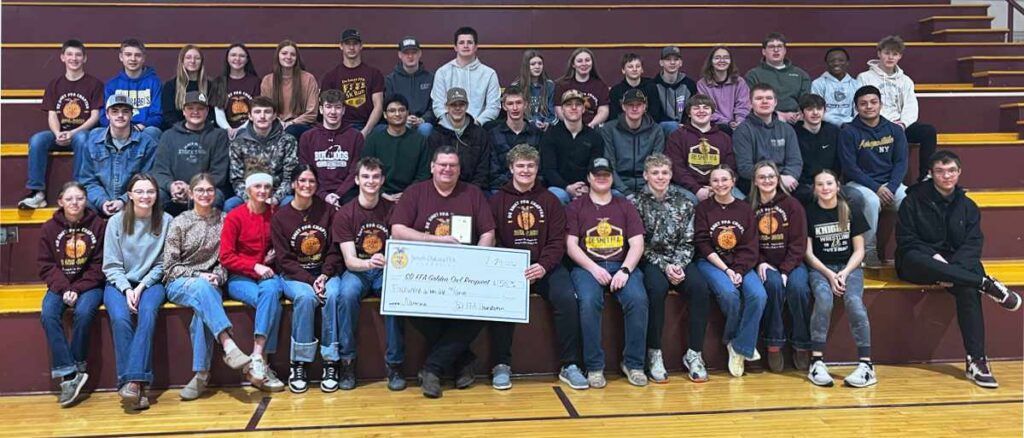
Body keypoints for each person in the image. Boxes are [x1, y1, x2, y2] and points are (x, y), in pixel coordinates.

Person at [896, 150, 1022, 388]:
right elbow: (907, 240)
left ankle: (976, 361)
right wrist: (937, 263)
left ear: (959, 172)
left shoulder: (968, 206)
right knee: (916, 257)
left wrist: (950, 271)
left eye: (951, 170)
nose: (947, 176)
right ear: (931, 174)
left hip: (957, 265)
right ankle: (985, 283)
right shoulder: (912, 200)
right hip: (920, 262)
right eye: (941, 171)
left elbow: (973, 244)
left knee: (967, 285)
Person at [390, 145, 497, 398]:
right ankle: (462, 359)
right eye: (442, 165)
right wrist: (434, 240)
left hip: (464, 272)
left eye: (452, 165)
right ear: (432, 167)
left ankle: (433, 368)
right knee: (407, 305)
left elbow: (488, 233)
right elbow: (397, 230)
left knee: (484, 307)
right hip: (422, 272)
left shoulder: (472, 193)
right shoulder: (416, 192)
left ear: (459, 169)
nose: (447, 169)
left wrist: (478, 259)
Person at [487, 145, 588, 390]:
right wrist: (511, 267)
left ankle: (570, 364)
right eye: (520, 165)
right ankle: (501, 364)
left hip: (546, 266)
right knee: (499, 300)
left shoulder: (550, 200)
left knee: (566, 298)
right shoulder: (497, 200)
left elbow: (557, 241)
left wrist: (542, 266)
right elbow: (493, 237)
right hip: (511, 267)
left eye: (530, 165)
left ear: (537, 168)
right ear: (511, 168)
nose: (525, 170)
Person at [163, 173, 255, 401]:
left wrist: (218, 276)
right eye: (200, 190)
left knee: (202, 309)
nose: (205, 195)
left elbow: (228, 258)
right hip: (180, 282)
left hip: (210, 284)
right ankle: (229, 344)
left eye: (209, 190)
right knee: (202, 290)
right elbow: (170, 266)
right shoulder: (180, 222)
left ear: (215, 194)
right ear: (192, 194)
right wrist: (199, 275)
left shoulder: (226, 220)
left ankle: (201, 374)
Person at [567, 157, 649, 388]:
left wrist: (625, 270)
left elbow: (637, 244)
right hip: (587, 266)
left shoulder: (625, 205)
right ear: (589, 177)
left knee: (638, 299)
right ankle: (594, 367)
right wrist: (593, 268)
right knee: (589, 301)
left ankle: (633, 364)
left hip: (621, 264)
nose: (601, 177)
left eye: (605, 174)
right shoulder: (576, 206)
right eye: (597, 174)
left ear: (612, 177)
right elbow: (571, 245)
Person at [632, 154, 711, 383]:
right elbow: (639, 244)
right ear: (646, 175)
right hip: (651, 260)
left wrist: (678, 263)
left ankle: (694, 353)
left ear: (671, 174)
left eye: (664, 172)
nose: (660, 177)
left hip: (680, 259)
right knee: (655, 290)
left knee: (700, 288)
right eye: (655, 173)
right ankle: (654, 353)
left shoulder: (684, 202)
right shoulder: (635, 203)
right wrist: (666, 267)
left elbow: (689, 239)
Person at [330, 157, 406, 392]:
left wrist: (390, 261)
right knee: (346, 294)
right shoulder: (345, 213)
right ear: (356, 180)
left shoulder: (393, 210)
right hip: (359, 270)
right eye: (365, 176)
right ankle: (347, 361)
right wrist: (370, 262)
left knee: (394, 295)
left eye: (375, 177)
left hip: (385, 270)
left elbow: (401, 248)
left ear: (382, 180)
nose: (370, 181)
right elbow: (351, 262)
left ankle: (395, 364)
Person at [101, 174, 171, 410]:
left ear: (156, 195)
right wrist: (126, 288)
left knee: (147, 313)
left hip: (151, 283)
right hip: (118, 283)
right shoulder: (116, 222)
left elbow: (164, 263)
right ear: (129, 194)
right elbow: (111, 264)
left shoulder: (167, 221)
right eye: (139, 191)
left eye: (150, 191)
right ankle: (136, 386)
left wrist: (141, 286)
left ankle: (132, 382)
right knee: (120, 319)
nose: (145, 196)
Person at [272, 166, 343, 393]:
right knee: (305, 298)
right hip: (295, 275)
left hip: (325, 272)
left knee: (333, 295)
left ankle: (331, 361)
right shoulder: (281, 217)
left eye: (311, 181)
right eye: (302, 181)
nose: (307, 185)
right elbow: (284, 260)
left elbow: (335, 248)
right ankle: (299, 363)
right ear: (293, 184)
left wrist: (324, 274)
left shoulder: (328, 211)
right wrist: (310, 280)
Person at [804, 169, 874, 388]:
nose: (825, 188)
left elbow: (860, 251)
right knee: (824, 300)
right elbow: (808, 254)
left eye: (829, 183)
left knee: (854, 303)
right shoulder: (809, 213)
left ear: (837, 186)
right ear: (814, 189)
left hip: (849, 267)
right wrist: (830, 274)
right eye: (820, 184)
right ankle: (816, 362)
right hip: (821, 268)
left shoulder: (850, 209)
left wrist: (843, 273)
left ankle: (866, 365)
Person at [693, 166, 765, 378]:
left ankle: (739, 346)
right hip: (711, 263)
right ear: (710, 184)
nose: (720, 184)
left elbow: (751, 246)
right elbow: (703, 245)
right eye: (715, 180)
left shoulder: (744, 209)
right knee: (729, 294)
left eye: (725, 179)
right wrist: (726, 270)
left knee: (758, 295)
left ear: (733, 182)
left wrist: (739, 270)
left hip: (740, 264)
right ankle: (736, 342)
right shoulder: (703, 209)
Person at [39, 181, 106, 407]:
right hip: (60, 285)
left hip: (89, 285)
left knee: (85, 312)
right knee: (48, 314)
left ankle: (77, 366)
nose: (74, 203)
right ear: (60, 202)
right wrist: (65, 288)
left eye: (79, 198)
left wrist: (77, 289)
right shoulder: (49, 228)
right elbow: (46, 266)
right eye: (69, 199)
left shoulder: (98, 225)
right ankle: (69, 373)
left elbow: (99, 265)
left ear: (85, 200)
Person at [220, 172, 287, 392]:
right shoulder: (235, 216)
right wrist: (255, 265)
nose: (262, 191)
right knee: (270, 301)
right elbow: (226, 256)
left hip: (268, 275)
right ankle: (264, 365)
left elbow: (283, 244)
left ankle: (257, 357)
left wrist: (274, 255)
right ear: (248, 190)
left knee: (271, 292)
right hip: (241, 277)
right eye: (257, 186)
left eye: (267, 187)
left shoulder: (276, 214)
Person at [19, 40, 103, 210]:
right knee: (37, 140)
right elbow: (52, 115)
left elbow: (95, 116)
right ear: (62, 57)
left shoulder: (95, 84)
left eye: (78, 55)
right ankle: (37, 193)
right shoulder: (54, 84)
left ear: (85, 59)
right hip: (59, 132)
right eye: (70, 54)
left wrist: (72, 133)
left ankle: (79, 190)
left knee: (82, 139)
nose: (74, 58)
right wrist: (57, 133)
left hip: (81, 132)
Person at [749, 161, 811, 373]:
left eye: (771, 176)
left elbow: (799, 243)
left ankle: (801, 344)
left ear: (777, 179)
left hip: (793, 262)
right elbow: (748, 243)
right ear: (755, 181)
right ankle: (773, 344)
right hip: (765, 263)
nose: (767, 180)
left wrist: (786, 269)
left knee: (799, 289)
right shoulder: (749, 207)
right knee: (773, 286)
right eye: (762, 177)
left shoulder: (792, 205)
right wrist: (760, 262)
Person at [839, 85, 908, 266]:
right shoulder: (848, 131)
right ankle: (868, 251)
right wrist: (877, 188)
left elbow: (901, 163)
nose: (868, 106)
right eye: (863, 104)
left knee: (910, 199)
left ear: (880, 104)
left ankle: (909, 250)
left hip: (890, 184)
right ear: (856, 107)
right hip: (858, 183)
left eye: (873, 102)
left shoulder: (895, 130)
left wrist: (891, 187)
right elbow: (850, 167)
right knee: (871, 201)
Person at [857, 35, 937, 182]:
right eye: (887, 53)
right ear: (879, 53)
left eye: (895, 54)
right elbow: (861, 104)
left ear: (900, 56)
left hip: (899, 125)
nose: (890, 57)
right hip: (875, 126)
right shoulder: (865, 78)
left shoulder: (905, 81)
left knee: (928, 131)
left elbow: (911, 106)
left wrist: (903, 123)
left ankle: (926, 177)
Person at [153, 91, 230, 216]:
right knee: (156, 197)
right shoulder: (168, 135)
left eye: (200, 108)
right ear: (183, 111)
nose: (195, 112)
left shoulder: (219, 136)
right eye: (190, 108)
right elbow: (160, 170)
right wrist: (172, 186)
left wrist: (192, 189)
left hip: (204, 189)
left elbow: (219, 173)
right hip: (174, 192)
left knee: (217, 197)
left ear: (207, 111)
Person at [81, 95, 159, 217]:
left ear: (132, 115)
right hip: (100, 202)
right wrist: (102, 202)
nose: (120, 115)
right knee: (79, 204)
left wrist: (123, 201)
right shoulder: (92, 142)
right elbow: (88, 180)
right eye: (115, 111)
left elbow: (147, 180)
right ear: (107, 115)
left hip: (134, 202)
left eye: (125, 111)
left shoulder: (147, 143)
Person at [792, 93, 865, 211]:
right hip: (805, 185)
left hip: (831, 183)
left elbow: (840, 161)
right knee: (809, 197)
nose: (815, 113)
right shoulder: (793, 133)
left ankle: (850, 230)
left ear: (825, 111)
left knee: (855, 197)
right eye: (810, 109)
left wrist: (834, 183)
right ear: (801, 113)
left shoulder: (834, 131)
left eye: (819, 109)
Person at [226, 96, 299, 212]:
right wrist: (251, 199)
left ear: (275, 115)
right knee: (230, 205)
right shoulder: (238, 142)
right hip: (249, 195)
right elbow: (237, 179)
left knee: (290, 203)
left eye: (267, 112)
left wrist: (275, 198)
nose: (262, 116)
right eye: (257, 112)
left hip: (277, 195)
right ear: (250, 116)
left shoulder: (287, 140)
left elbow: (289, 178)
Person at [665, 94, 738, 205]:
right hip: (688, 189)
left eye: (706, 107)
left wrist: (717, 186)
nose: (701, 111)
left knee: (741, 201)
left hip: (720, 186)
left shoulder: (724, 138)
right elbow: (676, 168)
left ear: (712, 112)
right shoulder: (677, 136)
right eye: (696, 108)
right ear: (689, 113)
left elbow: (729, 167)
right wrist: (697, 189)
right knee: (690, 203)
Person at [732, 83, 802, 196]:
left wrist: (788, 176)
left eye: (769, 98)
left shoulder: (787, 129)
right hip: (754, 184)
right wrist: (776, 179)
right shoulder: (743, 130)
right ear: (750, 103)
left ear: (775, 102)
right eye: (759, 98)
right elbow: (744, 168)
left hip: (785, 182)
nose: (764, 101)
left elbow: (795, 162)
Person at [298, 89, 364, 206]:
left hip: (347, 193)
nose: (333, 112)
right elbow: (305, 171)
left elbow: (355, 171)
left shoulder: (356, 136)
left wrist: (338, 194)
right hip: (315, 192)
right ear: (321, 109)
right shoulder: (307, 137)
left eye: (338, 107)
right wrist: (324, 195)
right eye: (328, 107)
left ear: (343, 110)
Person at [540, 90, 605, 205]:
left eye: (578, 104)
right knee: (557, 195)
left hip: (587, 187)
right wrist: (567, 187)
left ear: (583, 109)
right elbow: (548, 170)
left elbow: (595, 167)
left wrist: (586, 186)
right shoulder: (550, 135)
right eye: (568, 105)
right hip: (559, 188)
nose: (573, 108)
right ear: (562, 110)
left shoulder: (595, 137)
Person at [363, 95, 431, 202]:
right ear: (385, 115)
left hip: (412, 196)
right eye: (392, 111)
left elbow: (424, 174)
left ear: (408, 113)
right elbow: (365, 170)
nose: (397, 114)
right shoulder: (373, 140)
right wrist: (382, 194)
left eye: (401, 110)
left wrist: (407, 194)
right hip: (378, 195)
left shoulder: (419, 140)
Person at [600, 89, 665, 198]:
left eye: (638, 105)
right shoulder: (609, 129)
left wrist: (646, 190)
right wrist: (626, 192)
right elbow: (609, 165)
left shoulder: (656, 130)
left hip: (647, 184)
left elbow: (656, 164)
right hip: (618, 186)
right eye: (630, 105)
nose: (634, 108)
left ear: (644, 107)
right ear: (623, 107)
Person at [430, 26, 501, 125]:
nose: (466, 46)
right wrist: (452, 123)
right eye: (461, 42)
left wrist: (477, 123)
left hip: (479, 127)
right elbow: (438, 105)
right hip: (448, 126)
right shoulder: (442, 72)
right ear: (455, 47)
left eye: (470, 42)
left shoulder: (489, 74)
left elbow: (493, 107)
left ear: (476, 47)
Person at [320, 29, 385, 137]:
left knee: (384, 130)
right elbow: (328, 108)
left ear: (361, 46)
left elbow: (378, 106)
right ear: (341, 46)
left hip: (370, 125)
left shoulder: (374, 73)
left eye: (355, 44)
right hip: (341, 126)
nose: (351, 48)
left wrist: (365, 131)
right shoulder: (331, 77)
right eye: (347, 44)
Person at [427, 87, 493, 188]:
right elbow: (433, 169)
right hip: (443, 189)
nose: (457, 108)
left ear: (467, 106)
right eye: (453, 105)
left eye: (461, 104)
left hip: (473, 190)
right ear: (446, 107)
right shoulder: (436, 135)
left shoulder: (480, 134)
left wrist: (472, 192)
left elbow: (483, 170)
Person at [101, 39, 162, 141]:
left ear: (143, 58)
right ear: (121, 57)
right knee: (95, 133)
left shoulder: (154, 83)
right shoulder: (112, 85)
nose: (133, 59)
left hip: (144, 128)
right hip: (117, 127)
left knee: (152, 132)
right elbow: (104, 115)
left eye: (137, 55)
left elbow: (157, 116)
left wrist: (140, 126)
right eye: (128, 55)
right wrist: (121, 128)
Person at [744, 33, 810, 124]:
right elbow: (750, 103)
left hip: (797, 121)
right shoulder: (753, 75)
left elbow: (806, 101)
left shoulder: (800, 74)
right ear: (764, 51)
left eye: (779, 46)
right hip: (765, 120)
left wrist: (800, 115)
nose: (776, 50)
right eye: (771, 47)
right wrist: (779, 115)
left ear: (785, 50)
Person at [487, 86, 542, 192]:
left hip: (531, 187)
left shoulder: (538, 134)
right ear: (504, 106)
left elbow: (541, 169)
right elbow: (493, 172)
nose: (515, 108)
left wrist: (525, 183)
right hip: (502, 188)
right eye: (510, 104)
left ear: (525, 104)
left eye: (518, 103)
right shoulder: (493, 134)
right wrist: (515, 184)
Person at [261, 40, 319, 138]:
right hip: (274, 125)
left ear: (297, 58)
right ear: (278, 56)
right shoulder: (268, 80)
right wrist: (279, 123)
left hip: (302, 126)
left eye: (292, 54)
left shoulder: (308, 79)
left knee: (290, 130)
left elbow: (312, 113)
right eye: (284, 53)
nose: (288, 57)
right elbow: (265, 110)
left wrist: (291, 123)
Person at [384, 36, 435, 137]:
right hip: (400, 120)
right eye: (406, 53)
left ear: (420, 54)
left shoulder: (431, 78)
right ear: (400, 55)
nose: (410, 56)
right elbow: (388, 106)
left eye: (414, 53)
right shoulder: (390, 80)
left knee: (426, 128)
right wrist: (403, 118)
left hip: (423, 123)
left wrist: (423, 119)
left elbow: (434, 106)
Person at [209, 43, 261, 140]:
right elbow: (219, 111)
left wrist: (241, 129)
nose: (237, 59)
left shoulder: (256, 82)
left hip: (250, 130)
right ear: (227, 58)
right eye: (233, 55)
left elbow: (257, 110)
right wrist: (228, 129)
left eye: (241, 56)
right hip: (224, 131)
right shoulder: (219, 82)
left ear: (247, 60)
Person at [696, 45, 750, 134]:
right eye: (717, 58)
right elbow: (706, 109)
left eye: (726, 58)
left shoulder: (740, 82)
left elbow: (743, 105)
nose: (722, 61)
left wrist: (739, 121)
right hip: (714, 125)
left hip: (739, 125)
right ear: (711, 62)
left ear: (730, 62)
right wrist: (727, 122)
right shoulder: (702, 84)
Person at [159, 45, 212, 130]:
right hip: (177, 131)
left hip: (203, 131)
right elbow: (168, 115)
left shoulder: (210, 85)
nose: (193, 61)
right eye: (188, 57)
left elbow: (212, 114)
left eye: (197, 58)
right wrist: (184, 130)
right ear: (182, 61)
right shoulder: (170, 86)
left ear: (201, 62)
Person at [554, 48, 610, 128]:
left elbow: (603, 111)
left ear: (592, 63)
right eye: (579, 61)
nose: (584, 64)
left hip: (592, 128)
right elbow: (559, 110)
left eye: (587, 60)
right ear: (573, 64)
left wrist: (590, 125)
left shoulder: (600, 86)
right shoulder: (562, 85)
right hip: (568, 127)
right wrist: (573, 125)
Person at [608, 53, 666, 127]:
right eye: (630, 67)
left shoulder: (651, 86)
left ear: (642, 70)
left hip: (649, 127)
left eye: (638, 66)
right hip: (624, 129)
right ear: (623, 70)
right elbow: (614, 116)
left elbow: (655, 113)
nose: (634, 69)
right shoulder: (616, 91)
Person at [651, 46, 698, 134]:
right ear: (661, 63)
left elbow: (692, 109)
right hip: (662, 127)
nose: (672, 62)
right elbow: (655, 114)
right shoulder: (653, 85)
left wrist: (684, 124)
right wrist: (676, 125)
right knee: (672, 126)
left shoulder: (689, 84)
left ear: (681, 63)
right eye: (668, 59)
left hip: (685, 125)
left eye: (676, 59)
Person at [811, 47, 859, 127]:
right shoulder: (818, 84)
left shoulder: (856, 84)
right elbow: (817, 111)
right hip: (825, 125)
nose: (836, 63)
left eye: (841, 60)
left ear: (847, 63)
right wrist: (839, 123)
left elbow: (858, 110)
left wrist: (853, 124)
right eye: (832, 61)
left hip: (851, 125)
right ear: (826, 63)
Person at [511, 50, 557, 130]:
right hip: (525, 127)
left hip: (547, 128)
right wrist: (532, 122)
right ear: (526, 66)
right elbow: (515, 112)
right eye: (532, 64)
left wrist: (548, 122)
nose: (537, 67)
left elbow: (553, 111)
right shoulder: (517, 87)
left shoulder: (549, 85)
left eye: (540, 63)